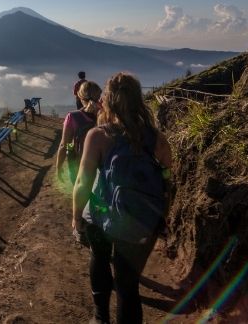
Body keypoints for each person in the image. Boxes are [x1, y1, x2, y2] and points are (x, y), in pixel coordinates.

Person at [71, 72, 174, 324]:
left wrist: (76, 218)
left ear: (107, 101)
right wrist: (160, 216)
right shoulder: (158, 139)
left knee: (100, 259)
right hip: (139, 220)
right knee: (128, 286)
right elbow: (168, 183)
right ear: (138, 100)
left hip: (100, 215)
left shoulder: (97, 136)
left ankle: (100, 317)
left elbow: (83, 183)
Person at [53, 80, 103, 187]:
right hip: (102, 165)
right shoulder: (106, 115)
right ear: (99, 96)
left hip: (79, 165)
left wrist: (58, 167)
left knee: (80, 192)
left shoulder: (72, 117)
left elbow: (63, 144)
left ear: (80, 97)